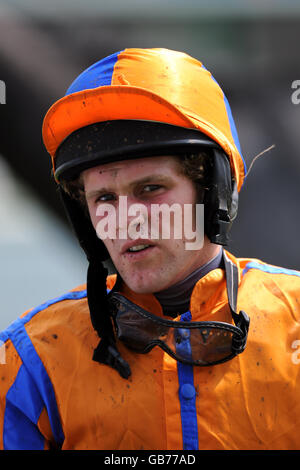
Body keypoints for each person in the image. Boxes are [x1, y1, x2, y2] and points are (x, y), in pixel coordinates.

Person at [1, 47, 300, 451]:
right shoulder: (28, 358)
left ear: (214, 193)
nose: (126, 218)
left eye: (150, 189)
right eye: (104, 198)